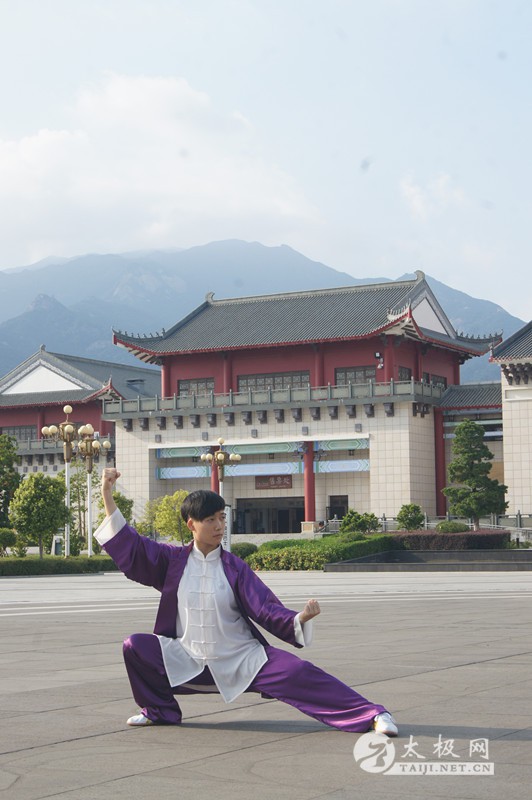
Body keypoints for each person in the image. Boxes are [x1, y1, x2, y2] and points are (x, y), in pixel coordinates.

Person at [94, 468, 398, 736]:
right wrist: (107, 493)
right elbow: (131, 545)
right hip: (189, 657)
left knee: (298, 673)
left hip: (240, 658)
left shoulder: (234, 567)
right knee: (135, 646)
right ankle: (159, 711)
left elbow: (264, 607)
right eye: (210, 520)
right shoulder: (170, 561)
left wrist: (299, 619)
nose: (218, 526)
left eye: (221, 518)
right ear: (191, 525)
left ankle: (372, 714)